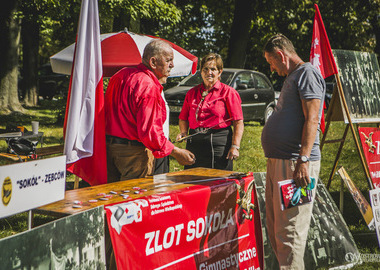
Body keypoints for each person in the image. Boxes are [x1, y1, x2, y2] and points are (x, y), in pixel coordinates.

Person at [261, 33, 325, 269]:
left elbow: (312, 119)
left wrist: (303, 160)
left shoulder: (307, 73)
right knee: (276, 228)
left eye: (271, 62)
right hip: (281, 162)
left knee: (290, 233)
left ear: (280, 55)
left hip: (295, 166)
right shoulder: (293, 76)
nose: (272, 68)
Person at [105, 39, 195, 182]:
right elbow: (150, 132)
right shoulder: (148, 86)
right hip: (132, 153)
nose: (172, 65)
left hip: (107, 148)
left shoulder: (120, 75)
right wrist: (177, 152)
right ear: (153, 62)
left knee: (110, 199)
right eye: (168, 60)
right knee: (132, 200)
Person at [176, 53, 244, 170]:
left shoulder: (228, 92)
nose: (209, 72)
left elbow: (238, 122)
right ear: (201, 71)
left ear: (220, 72)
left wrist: (235, 146)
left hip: (218, 143)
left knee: (218, 181)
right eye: (205, 69)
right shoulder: (192, 93)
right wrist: (183, 132)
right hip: (195, 142)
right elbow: (183, 118)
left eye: (213, 69)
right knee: (191, 179)